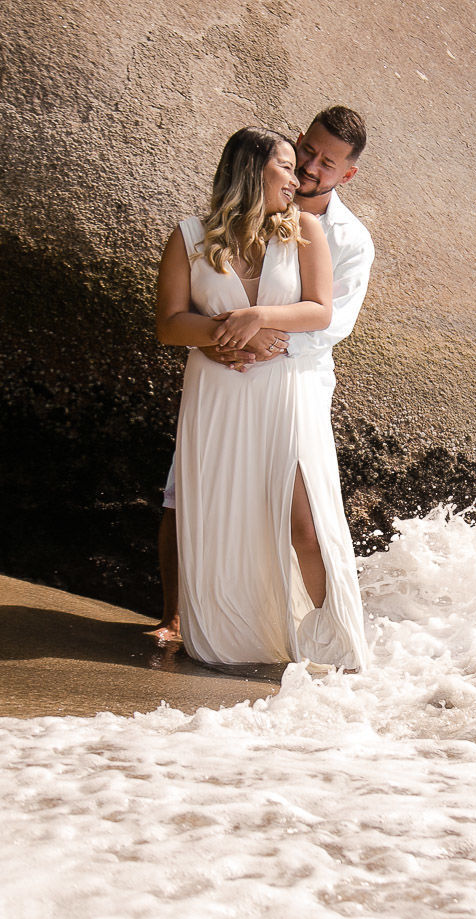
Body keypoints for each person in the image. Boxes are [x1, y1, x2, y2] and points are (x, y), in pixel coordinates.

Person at [152, 107, 373, 653]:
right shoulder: (194, 235)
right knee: (190, 498)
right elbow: (170, 322)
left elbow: (328, 318)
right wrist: (224, 339)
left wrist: (258, 329)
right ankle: (188, 621)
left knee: (302, 511)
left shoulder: (334, 234)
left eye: (327, 164)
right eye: (304, 155)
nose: (307, 170)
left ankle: (330, 640)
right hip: (221, 383)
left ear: (347, 174)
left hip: (294, 381)